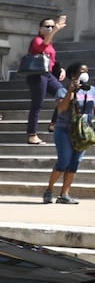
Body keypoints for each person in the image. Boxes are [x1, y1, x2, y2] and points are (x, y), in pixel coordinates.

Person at [44, 62, 93, 204]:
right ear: (73, 75)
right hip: (64, 130)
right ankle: (49, 189)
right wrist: (71, 92)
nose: (85, 74)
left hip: (82, 132)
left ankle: (64, 194)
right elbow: (62, 109)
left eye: (86, 71)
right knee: (63, 161)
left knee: (75, 162)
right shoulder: (63, 91)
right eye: (82, 71)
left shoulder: (92, 91)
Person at [26, 15, 67, 145]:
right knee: (37, 104)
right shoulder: (37, 40)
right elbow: (41, 47)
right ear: (40, 29)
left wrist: (61, 69)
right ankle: (32, 134)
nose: (50, 28)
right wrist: (56, 29)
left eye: (52, 26)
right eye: (47, 26)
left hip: (48, 74)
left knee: (65, 95)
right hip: (37, 75)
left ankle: (54, 124)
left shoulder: (51, 43)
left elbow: (52, 60)